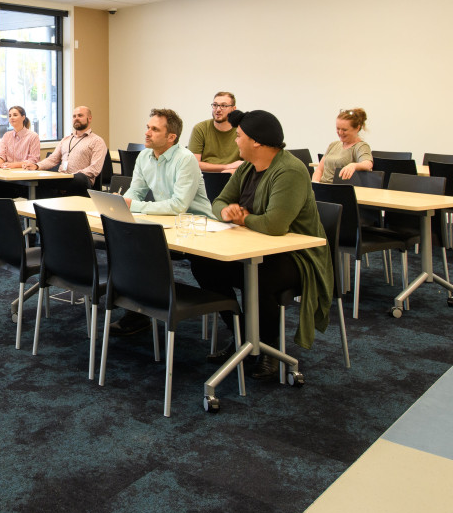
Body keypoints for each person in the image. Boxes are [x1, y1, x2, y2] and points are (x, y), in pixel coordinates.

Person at [189, 109, 333, 380]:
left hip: (298, 257)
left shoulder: (290, 170)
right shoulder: (246, 168)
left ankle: (268, 349)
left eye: (239, 136)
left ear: (256, 141)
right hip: (255, 248)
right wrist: (225, 212)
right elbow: (219, 200)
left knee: (260, 275)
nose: (235, 141)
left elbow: (275, 225)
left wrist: (243, 220)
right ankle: (242, 333)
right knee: (204, 264)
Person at [109, 108, 215, 336]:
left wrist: (131, 205)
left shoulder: (185, 160)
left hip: (198, 228)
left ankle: (147, 310)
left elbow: (178, 206)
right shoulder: (145, 157)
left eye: (154, 129)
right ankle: (139, 313)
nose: (147, 133)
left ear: (171, 137)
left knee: (145, 249)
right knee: (132, 246)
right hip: (167, 223)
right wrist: (123, 202)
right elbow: (135, 193)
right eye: (147, 127)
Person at [25, 105, 108, 196]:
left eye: (80, 116)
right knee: (39, 180)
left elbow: (95, 168)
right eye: (74, 116)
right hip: (62, 178)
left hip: (80, 181)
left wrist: (72, 176)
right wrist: (36, 166)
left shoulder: (97, 141)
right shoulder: (66, 140)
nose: (76, 118)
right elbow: (52, 159)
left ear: (89, 118)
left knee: (79, 178)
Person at [0, 105, 41, 198]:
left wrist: (14, 165)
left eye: (15, 115)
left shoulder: (33, 136)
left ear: (23, 117)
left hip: (24, 178)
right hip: (8, 175)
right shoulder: (7, 135)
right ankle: (0, 211)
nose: (11, 118)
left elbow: (33, 160)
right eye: (10, 116)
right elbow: (1, 154)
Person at [313, 108, 373, 183]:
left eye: (344, 130)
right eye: (338, 129)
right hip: (323, 188)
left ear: (357, 128)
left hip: (340, 190)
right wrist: (315, 182)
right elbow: (319, 170)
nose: (340, 132)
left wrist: (353, 165)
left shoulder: (360, 146)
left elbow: (368, 164)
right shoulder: (333, 145)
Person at [188, 91, 243, 173]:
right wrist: (227, 167)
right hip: (206, 177)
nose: (218, 110)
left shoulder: (242, 130)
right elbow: (193, 164)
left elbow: (248, 163)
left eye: (223, 106)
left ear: (233, 109)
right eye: (215, 105)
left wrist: (231, 170)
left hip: (234, 175)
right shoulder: (200, 129)